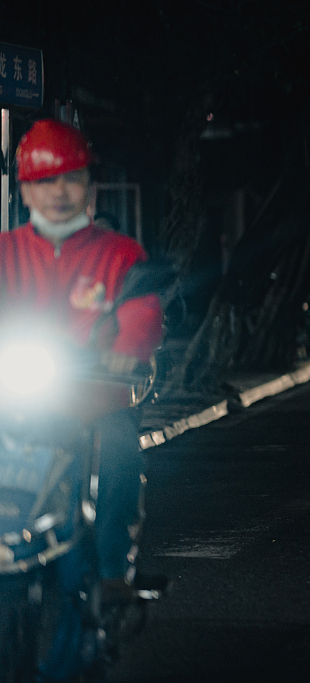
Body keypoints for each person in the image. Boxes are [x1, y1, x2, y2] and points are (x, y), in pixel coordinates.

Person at [0, 119, 163, 602]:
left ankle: (114, 570)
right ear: (25, 190)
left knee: (120, 456)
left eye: (72, 178)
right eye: (46, 180)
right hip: (15, 399)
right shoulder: (4, 254)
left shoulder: (120, 254)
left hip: (95, 400)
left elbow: (142, 312)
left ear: (91, 186)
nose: (60, 191)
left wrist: (126, 350)